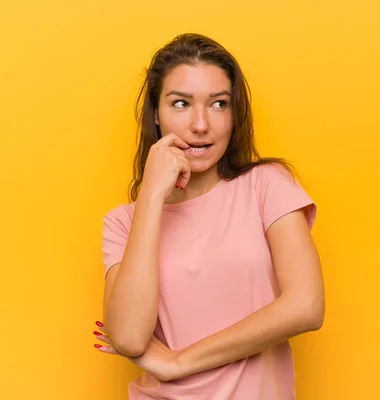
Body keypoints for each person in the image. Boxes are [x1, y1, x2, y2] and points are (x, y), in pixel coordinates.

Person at [92, 33, 325, 399]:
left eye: (218, 104)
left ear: (235, 115)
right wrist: (152, 195)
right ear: (155, 113)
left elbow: (307, 306)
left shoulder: (266, 186)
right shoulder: (123, 222)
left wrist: (181, 361)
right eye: (181, 103)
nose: (200, 124)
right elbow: (129, 336)